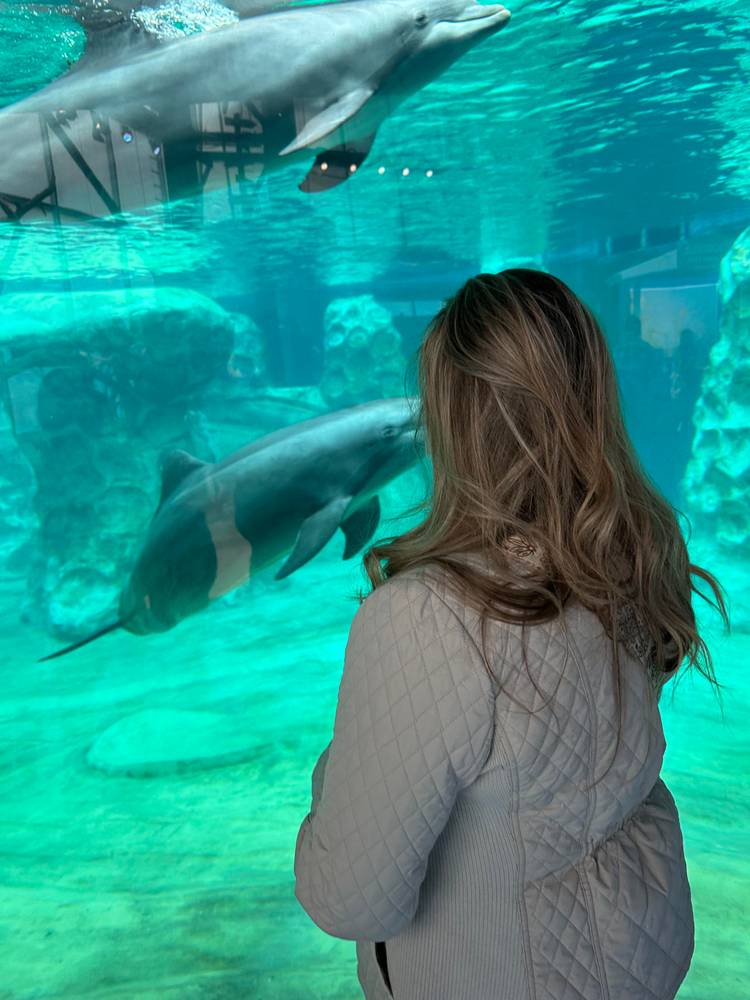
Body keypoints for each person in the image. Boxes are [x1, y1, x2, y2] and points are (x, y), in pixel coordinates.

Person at [293, 270, 728, 1000]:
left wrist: (334, 772)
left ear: (451, 419)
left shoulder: (428, 617)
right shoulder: (634, 552)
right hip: (629, 965)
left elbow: (350, 899)